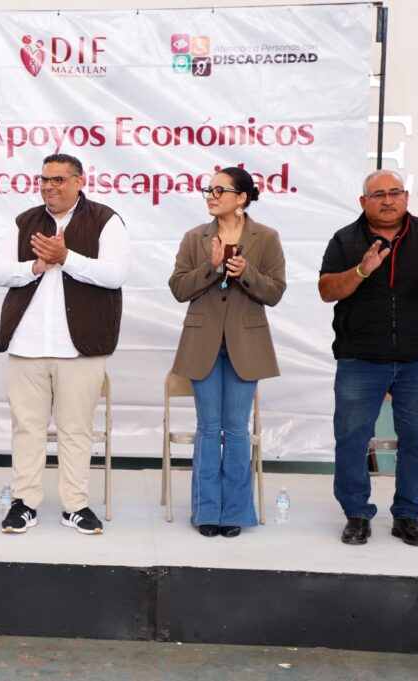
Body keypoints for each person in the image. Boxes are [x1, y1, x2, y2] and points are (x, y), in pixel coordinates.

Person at [319, 169, 418, 547]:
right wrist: (360, 270)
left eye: (395, 192)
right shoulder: (345, 239)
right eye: (378, 195)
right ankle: (357, 514)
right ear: (363, 202)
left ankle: (407, 516)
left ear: (405, 196)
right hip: (359, 360)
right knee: (352, 440)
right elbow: (326, 289)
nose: (388, 200)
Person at [0, 153, 130, 535]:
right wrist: (35, 267)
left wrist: (66, 257)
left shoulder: (106, 220)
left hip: (80, 347)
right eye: (44, 180)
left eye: (58, 180)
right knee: (27, 429)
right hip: (27, 344)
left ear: (79, 181)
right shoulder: (24, 221)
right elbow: (0, 272)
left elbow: (115, 274)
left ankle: (76, 506)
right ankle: (24, 503)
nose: (49, 187)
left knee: (76, 430)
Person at [168, 167, 287, 538]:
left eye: (220, 190)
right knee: (208, 428)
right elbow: (178, 288)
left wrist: (246, 272)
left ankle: (235, 512)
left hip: (246, 345)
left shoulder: (266, 238)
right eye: (209, 189)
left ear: (242, 198)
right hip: (202, 342)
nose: (211, 196)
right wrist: (212, 266)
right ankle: (206, 511)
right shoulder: (195, 237)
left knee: (236, 430)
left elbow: (274, 292)